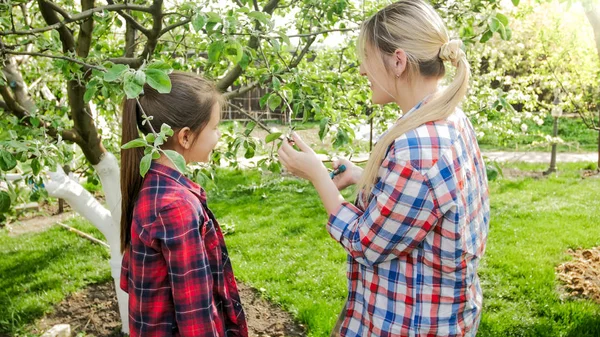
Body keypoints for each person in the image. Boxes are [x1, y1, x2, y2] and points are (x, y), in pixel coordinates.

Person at [278, 1, 490, 336]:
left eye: (367, 57)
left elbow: (366, 243)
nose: (362, 70)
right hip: (444, 314)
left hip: (408, 323)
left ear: (398, 60)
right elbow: (430, 203)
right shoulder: (448, 118)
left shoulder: (416, 149)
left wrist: (318, 176)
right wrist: (363, 177)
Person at [119, 72, 248, 337]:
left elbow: (130, 280)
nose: (218, 135)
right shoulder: (176, 208)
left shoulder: (152, 186)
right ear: (186, 137)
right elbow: (196, 315)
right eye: (214, 127)